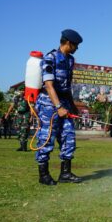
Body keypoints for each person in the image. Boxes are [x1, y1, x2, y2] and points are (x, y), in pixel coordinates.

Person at [34, 29, 83, 185]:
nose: (77, 48)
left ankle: (65, 173)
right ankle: (44, 175)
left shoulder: (70, 60)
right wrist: (58, 107)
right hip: (49, 103)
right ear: (68, 43)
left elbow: (66, 86)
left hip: (64, 102)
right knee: (47, 138)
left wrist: (72, 106)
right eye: (76, 45)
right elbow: (49, 85)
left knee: (69, 137)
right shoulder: (50, 58)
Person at [5, 85, 31, 151]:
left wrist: (31, 116)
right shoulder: (16, 97)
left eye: (23, 90)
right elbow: (12, 105)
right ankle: (21, 146)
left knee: (24, 130)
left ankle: (24, 146)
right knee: (19, 130)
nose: (22, 91)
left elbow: (31, 107)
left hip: (26, 115)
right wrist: (7, 113)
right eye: (21, 90)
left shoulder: (28, 97)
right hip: (18, 115)